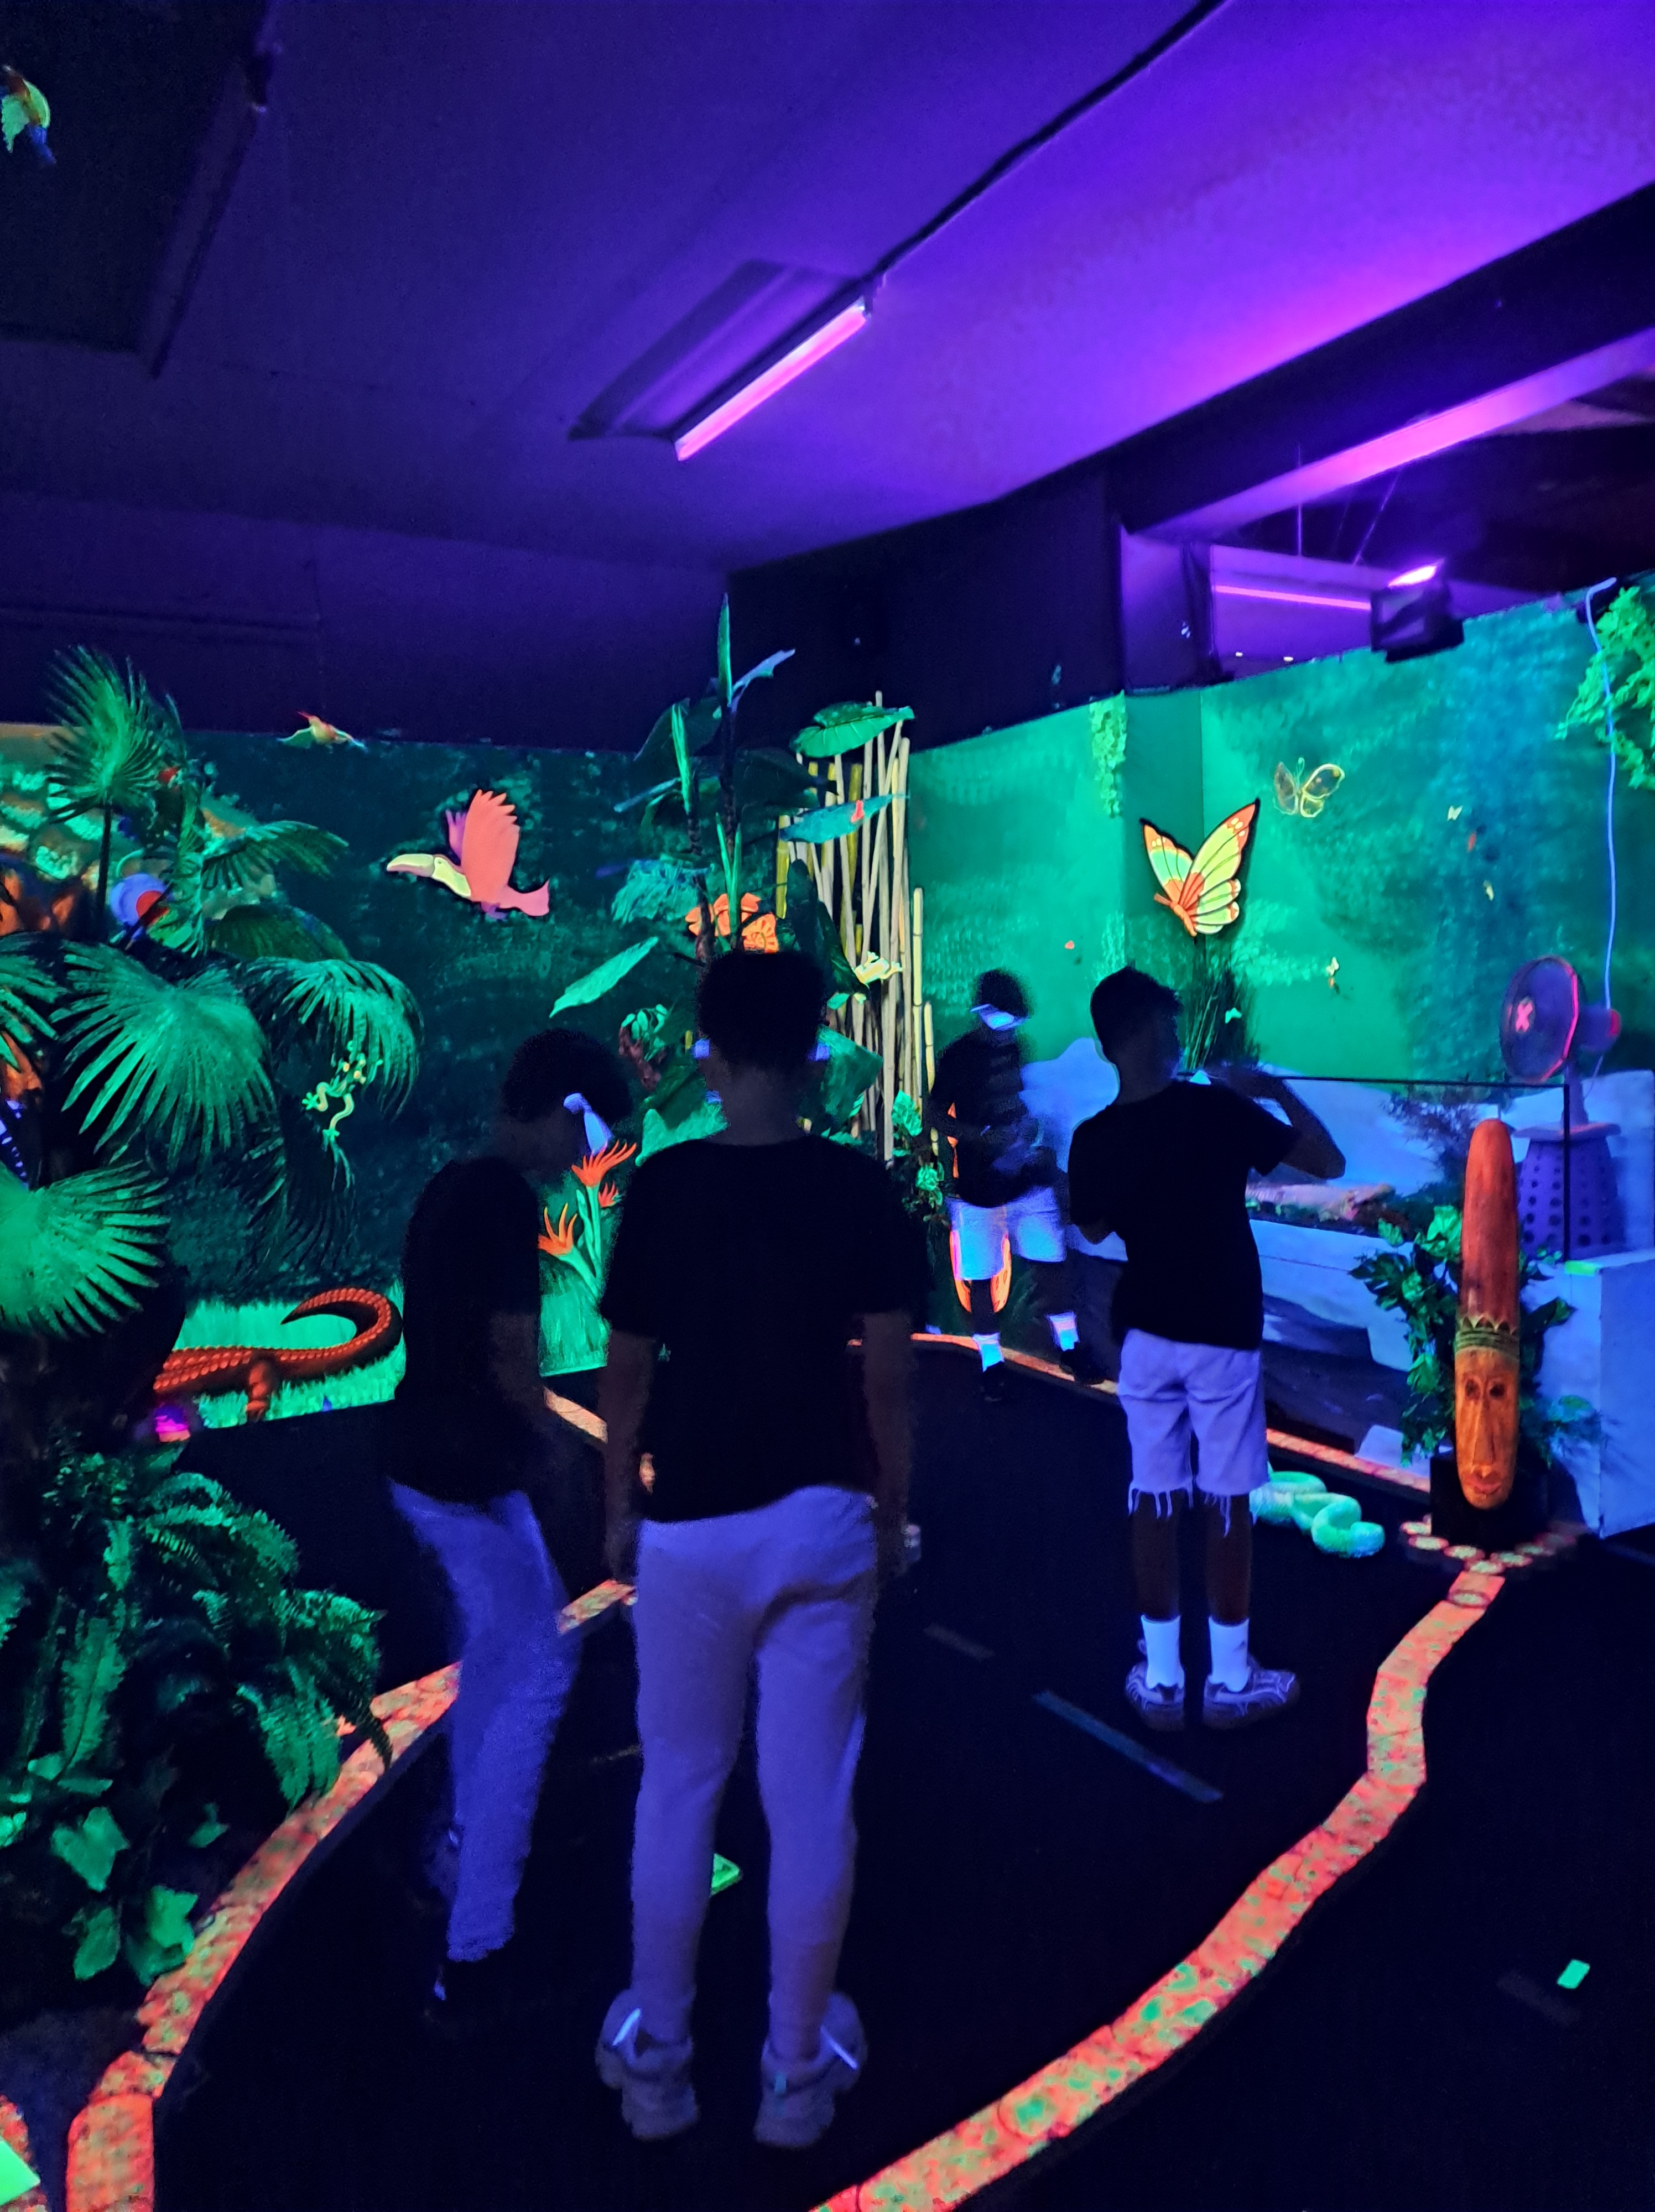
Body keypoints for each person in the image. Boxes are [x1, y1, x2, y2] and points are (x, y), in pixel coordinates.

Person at [595, 950, 917, 2152]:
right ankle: (794, 2071)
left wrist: (618, 1506)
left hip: (690, 1525)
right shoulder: (856, 1187)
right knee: (811, 1799)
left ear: (711, 1053)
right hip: (823, 1516)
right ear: (814, 1051)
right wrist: (890, 1508)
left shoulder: (665, 1187)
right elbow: (887, 1380)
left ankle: (659, 2065)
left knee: (679, 1784)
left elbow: (627, 1371)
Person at [387, 1026, 632, 2036]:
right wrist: (566, 1462)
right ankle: (476, 1951)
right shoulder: (500, 1203)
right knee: (531, 1677)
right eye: (588, 1134)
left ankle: (449, 1861)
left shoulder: (453, 1187)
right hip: (468, 1477)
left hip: (430, 1465)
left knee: (498, 1665)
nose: (585, 1158)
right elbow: (510, 1364)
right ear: (566, 1110)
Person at [1068, 968, 1345, 1733]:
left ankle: (1161, 1678)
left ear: (1107, 1046)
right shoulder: (1218, 1109)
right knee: (1226, 1498)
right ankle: (1228, 1677)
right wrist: (1271, 1088)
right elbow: (1328, 1163)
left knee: (1154, 1495)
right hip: (1222, 1329)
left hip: (1145, 1333)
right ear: (1160, 1030)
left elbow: (1091, 1225)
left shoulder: (1095, 1138)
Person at [924, 969, 1078, 1401]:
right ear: (983, 1013)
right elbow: (934, 1114)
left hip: (1027, 1179)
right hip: (977, 1186)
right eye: (1001, 1020)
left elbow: (1025, 1101)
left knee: (1051, 1262)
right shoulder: (957, 1056)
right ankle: (991, 1362)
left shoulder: (1018, 1049)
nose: (1008, 1029)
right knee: (981, 1277)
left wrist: (1027, 1132)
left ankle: (1070, 1347)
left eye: (1015, 1022)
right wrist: (978, 1137)